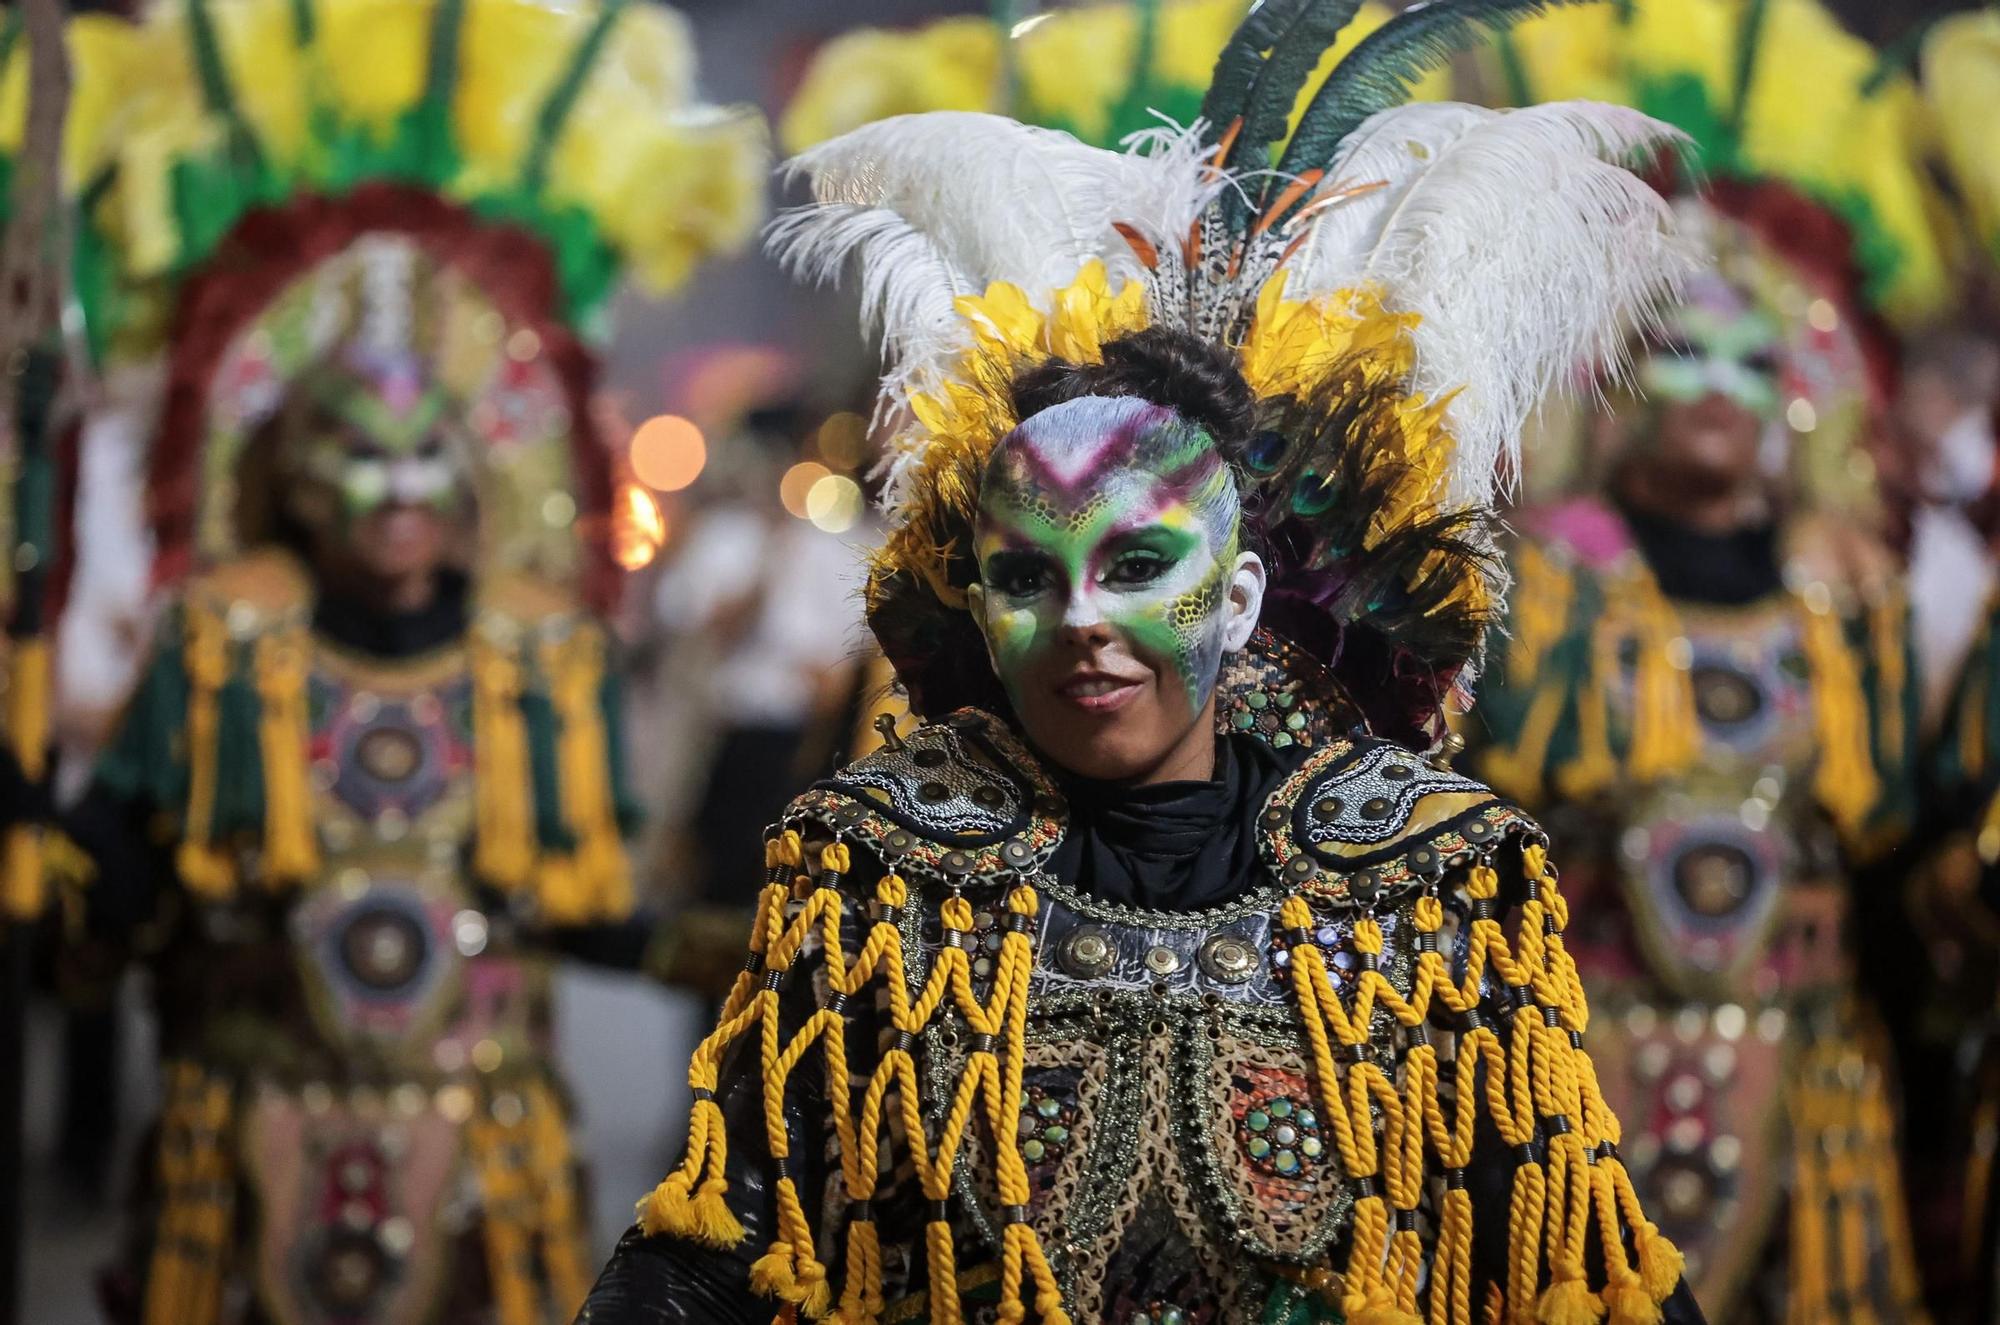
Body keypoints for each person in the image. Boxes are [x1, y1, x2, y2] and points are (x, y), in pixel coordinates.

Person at [578, 2, 1702, 1321]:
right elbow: (722, 1232)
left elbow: (1574, 1248)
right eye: (1026, 579)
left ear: (1233, 596)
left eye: (1132, 570)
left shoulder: (1421, 883)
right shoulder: (883, 871)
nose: (1080, 623)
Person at [25, 2, 766, 1322]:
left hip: (479, 1161)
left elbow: (580, 904)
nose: (395, 488)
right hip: (242, 1148)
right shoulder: (221, 648)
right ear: (292, 473)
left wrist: (750, 949)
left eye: (426, 453)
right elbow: (118, 879)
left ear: (478, 471)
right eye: (356, 453)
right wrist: (40, 848)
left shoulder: (540, 658)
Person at [1465, 4, 1946, 1317]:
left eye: (1755, 352)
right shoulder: (1547, 577)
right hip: (1581, 1052)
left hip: (1800, 1062)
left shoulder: (1846, 593)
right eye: (1681, 352)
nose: (1721, 383)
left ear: (1807, 388)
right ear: (1611, 380)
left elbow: (1890, 821)